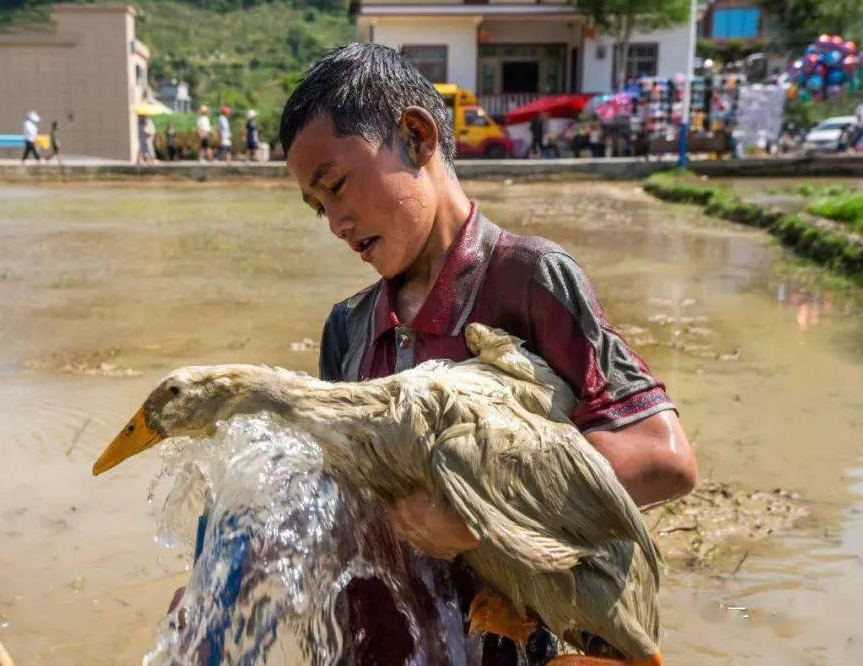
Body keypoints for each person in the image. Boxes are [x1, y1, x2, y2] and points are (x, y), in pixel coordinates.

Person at [276, 43, 697, 665]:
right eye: (319, 209)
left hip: (506, 644)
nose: (336, 222)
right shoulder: (349, 330)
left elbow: (664, 458)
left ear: (416, 137)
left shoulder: (529, 281)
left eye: (337, 186)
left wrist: (476, 504)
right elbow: (340, 504)